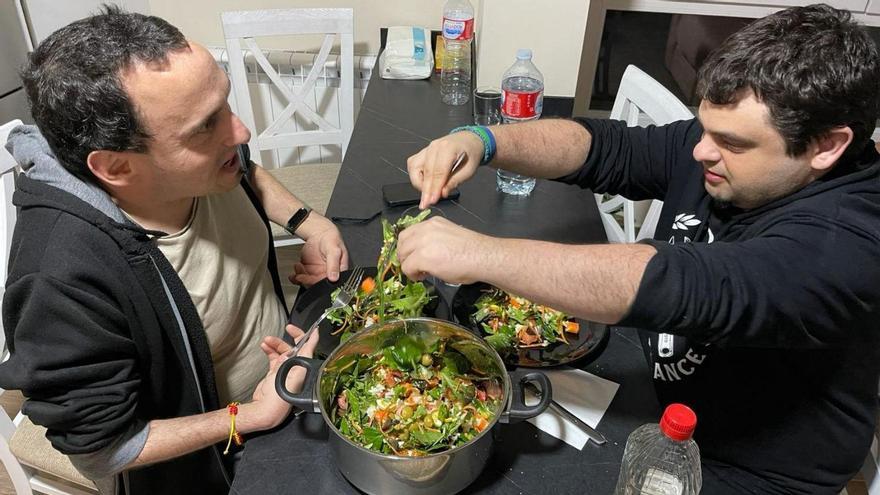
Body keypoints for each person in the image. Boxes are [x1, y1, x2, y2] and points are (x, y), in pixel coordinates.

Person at [399, 4, 880, 493]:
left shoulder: (849, 243)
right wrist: (482, 139)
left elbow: (676, 283)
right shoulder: (730, 153)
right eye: (704, 128)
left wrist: (482, 254)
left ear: (826, 146)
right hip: (654, 398)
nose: (700, 151)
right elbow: (607, 148)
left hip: (739, 469)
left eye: (731, 143)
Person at [0, 7, 347, 495]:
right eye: (206, 127)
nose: (241, 132)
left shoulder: (204, 157)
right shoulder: (61, 278)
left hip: (292, 375)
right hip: (221, 456)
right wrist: (249, 416)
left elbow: (242, 165)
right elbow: (105, 449)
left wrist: (306, 221)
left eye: (225, 104)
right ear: (117, 168)